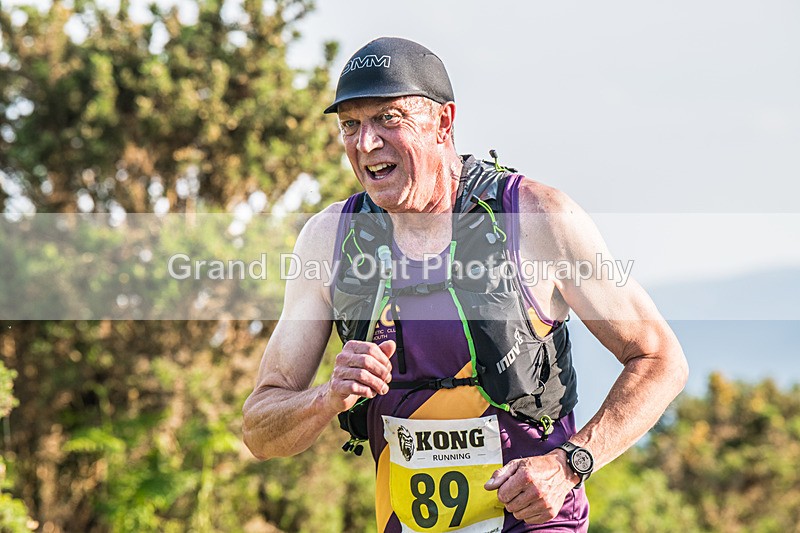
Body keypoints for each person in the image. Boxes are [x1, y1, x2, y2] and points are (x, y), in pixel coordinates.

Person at [243, 36, 688, 532]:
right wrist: (327, 396)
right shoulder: (331, 239)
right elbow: (261, 430)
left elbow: (660, 360)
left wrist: (570, 464)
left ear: (444, 122)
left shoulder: (536, 218)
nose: (365, 143)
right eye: (351, 124)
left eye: (389, 118)